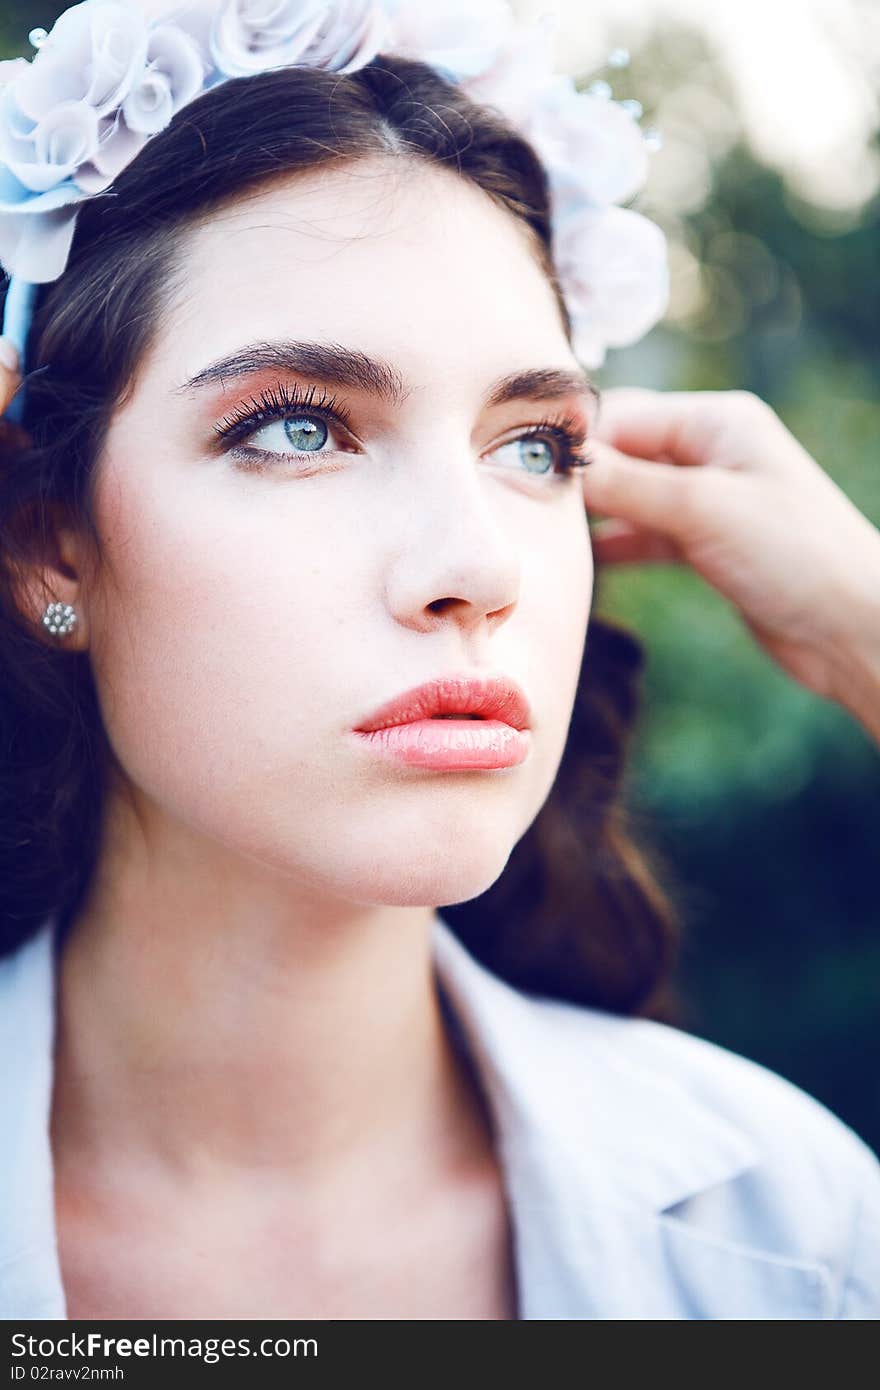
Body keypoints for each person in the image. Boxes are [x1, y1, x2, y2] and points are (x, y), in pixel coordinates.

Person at [0, 1, 878, 1322]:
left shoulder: (799, 1224)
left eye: (534, 445)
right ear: (48, 539)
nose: (479, 565)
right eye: (300, 428)